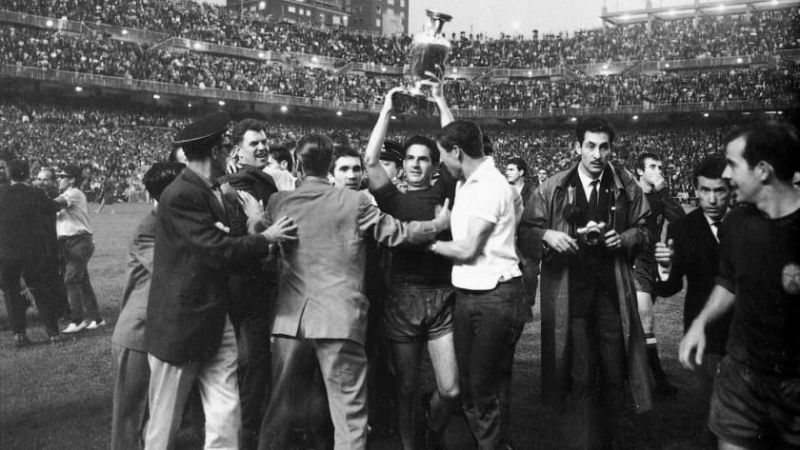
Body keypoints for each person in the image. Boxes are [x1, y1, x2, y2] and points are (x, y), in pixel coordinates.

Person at [258, 134, 450, 450]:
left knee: (278, 410)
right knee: (349, 417)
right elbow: (400, 234)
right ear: (330, 165)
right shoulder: (355, 202)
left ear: (296, 164)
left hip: (291, 322)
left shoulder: (280, 202)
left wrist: (255, 222)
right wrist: (437, 223)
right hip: (339, 318)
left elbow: (260, 235)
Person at [144, 112, 298, 450]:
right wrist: (266, 235)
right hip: (182, 324)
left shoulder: (208, 189)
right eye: (226, 147)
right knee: (164, 422)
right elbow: (217, 251)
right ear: (215, 151)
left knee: (226, 414)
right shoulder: (182, 193)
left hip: (215, 317)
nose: (228, 153)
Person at [518, 117, 652, 449]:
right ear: (577, 147)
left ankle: (605, 442)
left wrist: (623, 239)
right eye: (590, 146)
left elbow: (646, 228)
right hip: (569, 296)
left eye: (603, 147)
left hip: (611, 296)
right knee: (577, 377)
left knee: (612, 375)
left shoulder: (626, 185)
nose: (596, 154)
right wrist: (547, 235)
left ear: (611, 149)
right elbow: (525, 234)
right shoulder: (552, 187)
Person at [678, 121, 800, 450]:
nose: (727, 175)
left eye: (733, 164)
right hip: (740, 377)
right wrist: (701, 322)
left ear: (762, 170)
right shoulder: (737, 222)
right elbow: (729, 280)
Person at [364, 86, 459, 450]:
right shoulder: (392, 199)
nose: (416, 164)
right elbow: (371, 161)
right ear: (403, 164)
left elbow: (456, 147)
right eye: (410, 159)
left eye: (423, 159)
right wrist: (386, 109)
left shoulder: (445, 193)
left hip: (442, 297)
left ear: (435, 165)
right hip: (402, 298)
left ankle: (432, 428)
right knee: (405, 387)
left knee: (450, 390)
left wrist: (440, 103)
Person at [427, 120, 525, 450]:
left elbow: (468, 249)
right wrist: (440, 99)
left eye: (443, 156)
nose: (441, 163)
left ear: (457, 152)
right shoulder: (469, 178)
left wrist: (426, 243)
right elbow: (458, 132)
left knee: (484, 388)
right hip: (470, 295)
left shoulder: (490, 186)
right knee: (469, 387)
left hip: (495, 297)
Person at [110, 162, 184, 450]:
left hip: (161, 329)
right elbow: (174, 270)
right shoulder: (149, 228)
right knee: (130, 418)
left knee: (157, 415)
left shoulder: (171, 223)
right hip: (138, 333)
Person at [221, 118, 279, 450]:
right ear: (237, 151)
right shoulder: (232, 188)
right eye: (254, 143)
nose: (262, 147)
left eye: (264, 141)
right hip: (241, 283)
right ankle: (248, 431)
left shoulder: (262, 182)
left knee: (251, 360)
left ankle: (246, 426)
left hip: (258, 280)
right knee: (251, 361)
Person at [633, 151, 685, 398]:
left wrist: (663, 189)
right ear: (640, 171)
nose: (658, 171)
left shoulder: (660, 197)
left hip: (651, 264)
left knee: (636, 324)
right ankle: (658, 380)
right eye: (652, 166)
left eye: (660, 167)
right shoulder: (631, 196)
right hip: (633, 264)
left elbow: (681, 221)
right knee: (646, 321)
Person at [0, 159, 63, 346]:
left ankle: (19, 335)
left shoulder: (1, 194)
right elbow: (54, 207)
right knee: (41, 291)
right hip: (33, 252)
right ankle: (53, 333)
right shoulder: (36, 193)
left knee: (12, 294)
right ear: (28, 174)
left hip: (6, 253)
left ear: (9, 174)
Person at [55, 164, 104, 334]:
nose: (59, 179)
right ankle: (97, 319)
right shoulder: (69, 194)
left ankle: (77, 320)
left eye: (62, 176)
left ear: (72, 179)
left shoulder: (73, 193)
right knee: (82, 281)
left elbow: (53, 205)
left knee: (70, 279)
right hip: (73, 243)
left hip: (78, 242)